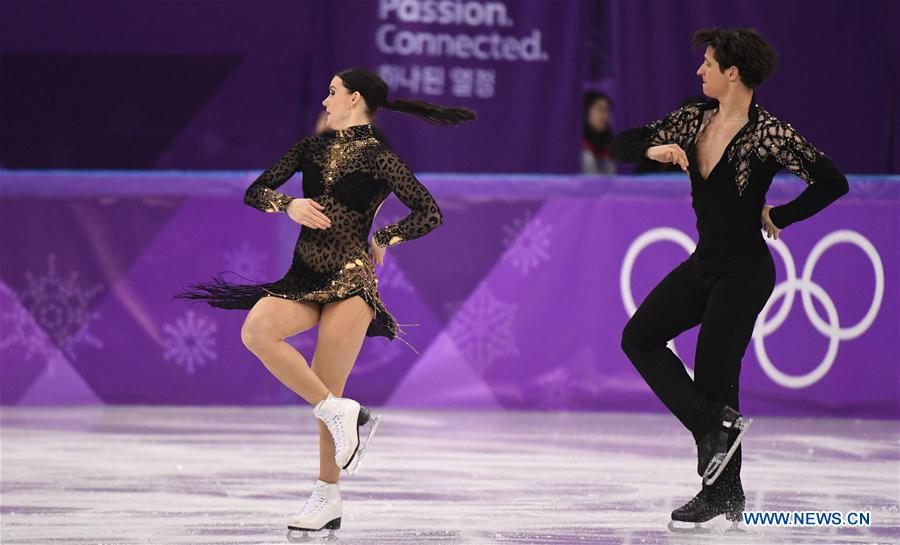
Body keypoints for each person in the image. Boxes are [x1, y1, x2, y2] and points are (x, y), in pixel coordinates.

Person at [176, 67, 475, 537]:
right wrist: (288, 205)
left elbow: (429, 211)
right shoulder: (310, 148)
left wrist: (386, 236)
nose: (324, 100)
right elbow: (256, 190)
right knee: (258, 332)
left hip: (352, 280)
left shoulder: (380, 157)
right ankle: (343, 413)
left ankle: (326, 498)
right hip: (304, 274)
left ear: (354, 99)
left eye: (332, 92)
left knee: (329, 385)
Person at [612, 28, 848, 527]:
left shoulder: (768, 134)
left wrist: (782, 215)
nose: (700, 70)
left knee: (716, 374)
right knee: (639, 337)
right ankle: (713, 434)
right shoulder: (693, 119)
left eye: (708, 62)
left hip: (745, 271)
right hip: (704, 262)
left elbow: (832, 181)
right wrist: (654, 151)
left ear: (732, 72)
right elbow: (624, 141)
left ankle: (721, 490)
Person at [581, 91, 616, 174]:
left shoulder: (610, 144)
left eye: (607, 110)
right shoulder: (575, 146)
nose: (606, 116)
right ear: (586, 112)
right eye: (600, 110)